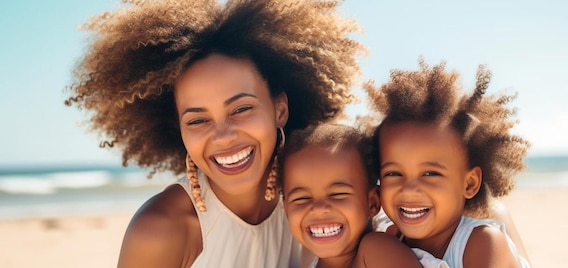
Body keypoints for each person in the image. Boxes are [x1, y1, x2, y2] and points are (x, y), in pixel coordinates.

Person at [65, 0, 365, 267]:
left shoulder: (315, 204)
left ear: (280, 109)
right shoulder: (161, 229)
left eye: (240, 110)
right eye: (197, 121)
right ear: (178, 129)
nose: (222, 136)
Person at [364, 59, 532, 267]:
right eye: (393, 173)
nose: (409, 189)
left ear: (469, 184)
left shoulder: (482, 241)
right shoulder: (389, 239)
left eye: (430, 173)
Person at [277, 124, 423, 268]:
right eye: (301, 198)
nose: (319, 209)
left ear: (372, 202)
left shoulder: (376, 250)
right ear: (286, 208)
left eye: (338, 194)